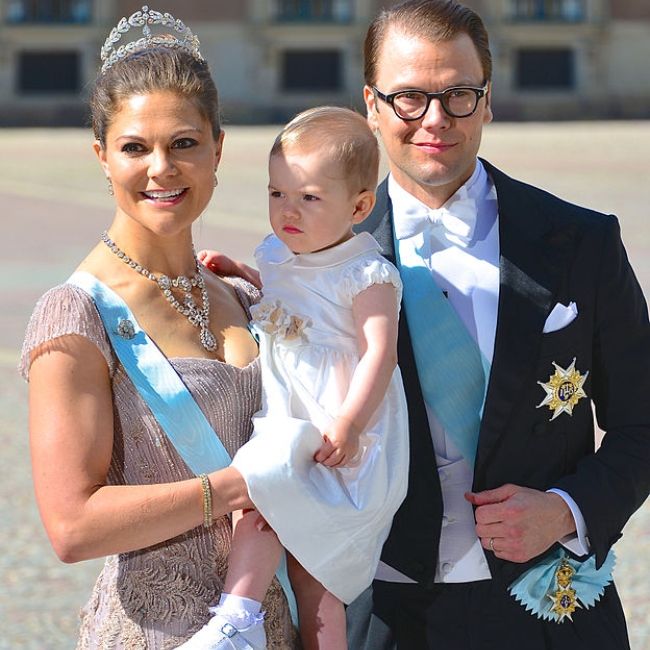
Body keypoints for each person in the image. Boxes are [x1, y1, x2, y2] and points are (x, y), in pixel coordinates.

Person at [338, 0, 650, 648]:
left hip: (552, 611)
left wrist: (566, 511)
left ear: (488, 99)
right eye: (409, 98)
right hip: (387, 618)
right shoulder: (323, 262)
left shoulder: (582, 242)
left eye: (457, 94)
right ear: (371, 104)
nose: (435, 120)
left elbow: (642, 423)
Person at [19, 7, 297, 649]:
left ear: (218, 148)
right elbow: (71, 526)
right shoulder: (76, 315)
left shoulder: (240, 293)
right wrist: (235, 487)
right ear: (102, 157)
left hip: (280, 628)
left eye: (184, 144)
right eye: (135, 148)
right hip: (158, 635)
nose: (162, 169)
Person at [181, 107, 409, 650]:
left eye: (308, 198)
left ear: (359, 205)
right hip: (288, 414)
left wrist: (351, 423)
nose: (288, 210)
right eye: (276, 193)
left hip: (339, 429)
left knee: (317, 567)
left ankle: (251, 621)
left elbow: (381, 353)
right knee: (258, 498)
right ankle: (239, 616)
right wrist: (243, 275)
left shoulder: (366, 272)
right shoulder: (280, 253)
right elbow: (289, 299)